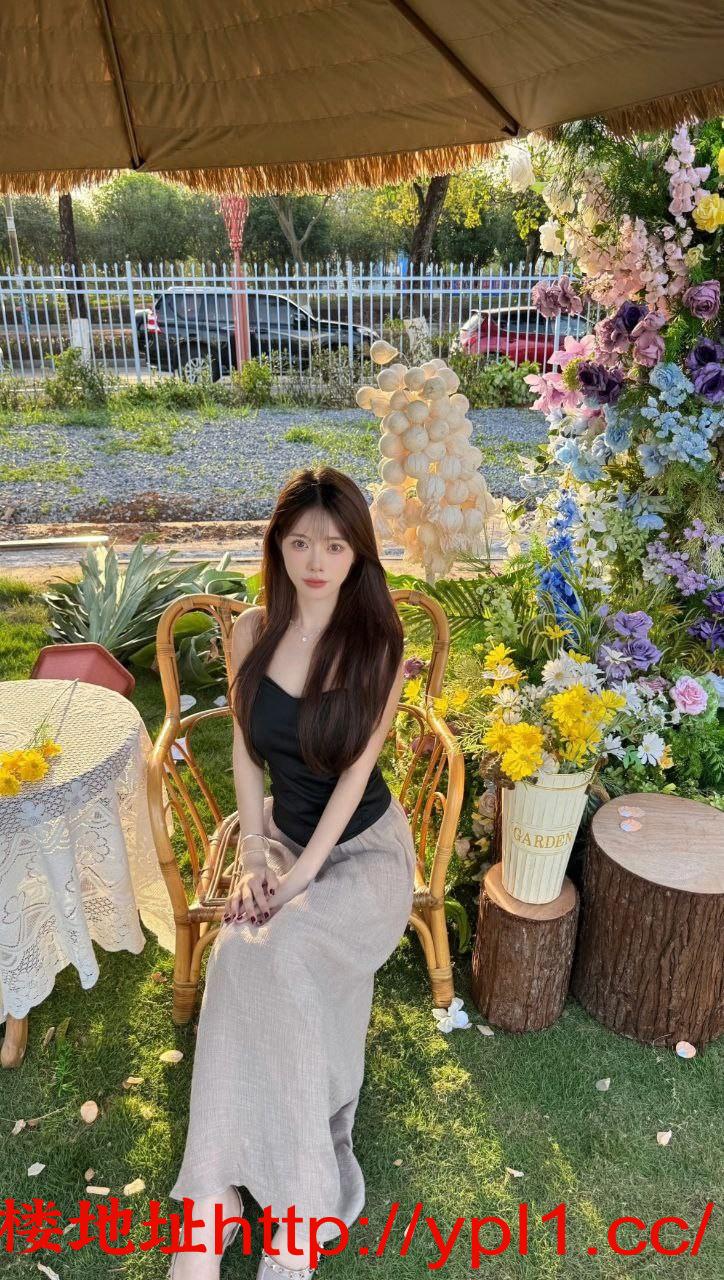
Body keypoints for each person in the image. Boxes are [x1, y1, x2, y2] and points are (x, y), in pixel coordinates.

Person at [168, 466, 417, 1279]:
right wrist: (252, 855)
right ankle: (212, 1200)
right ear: (278, 545)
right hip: (278, 837)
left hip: (362, 853)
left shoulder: (378, 645)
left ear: (357, 554)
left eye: (335, 546)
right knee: (240, 954)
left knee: (280, 948)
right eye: (301, 542)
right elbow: (248, 754)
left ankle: (298, 1217)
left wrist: (303, 878)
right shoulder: (253, 633)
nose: (316, 561)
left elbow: (354, 780)